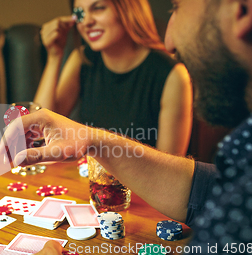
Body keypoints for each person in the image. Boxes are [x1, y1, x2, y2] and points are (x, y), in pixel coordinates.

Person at [0, 0, 252, 255]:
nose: (170, 39)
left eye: (176, 6)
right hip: (84, 195)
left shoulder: (169, 74)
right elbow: (40, 118)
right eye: (80, 11)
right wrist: (92, 136)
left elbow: (178, 178)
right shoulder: (83, 59)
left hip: (136, 210)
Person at [34, 0, 193, 155]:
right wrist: (54, 56)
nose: (87, 21)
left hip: (139, 182)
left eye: (98, 8)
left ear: (128, 9)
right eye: (80, 13)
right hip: (90, 178)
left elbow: (168, 172)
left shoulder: (173, 75)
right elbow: (38, 134)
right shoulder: (82, 59)